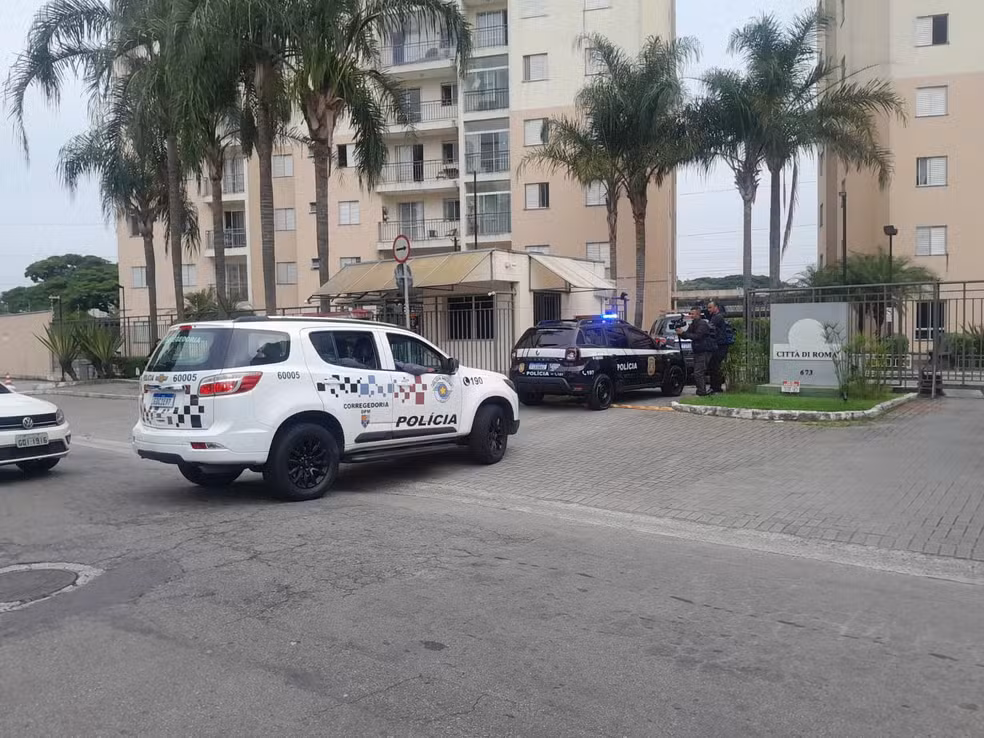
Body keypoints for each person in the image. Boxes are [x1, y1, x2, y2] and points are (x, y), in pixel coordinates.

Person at [676, 305, 718, 396]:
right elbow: (688, 335)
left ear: (698, 314)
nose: (691, 315)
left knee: (698, 372)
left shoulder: (702, 324)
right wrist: (681, 333)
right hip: (697, 350)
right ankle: (701, 391)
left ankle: (702, 391)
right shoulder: (693, 324)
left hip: (704, 350)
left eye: (693, 314)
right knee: (698, 372)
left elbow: (697, 336)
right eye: (690, 314)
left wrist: (684, 333)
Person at [706, 300, 732, 393]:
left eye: (710, 307)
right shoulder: (715, 317)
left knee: (714, 366)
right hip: (719, 345)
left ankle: (715, 387)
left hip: (720, 345)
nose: (708, 310)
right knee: (714, 366)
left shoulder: (717, 317)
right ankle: (716, 387)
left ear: (716, 307)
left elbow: (709, 327)